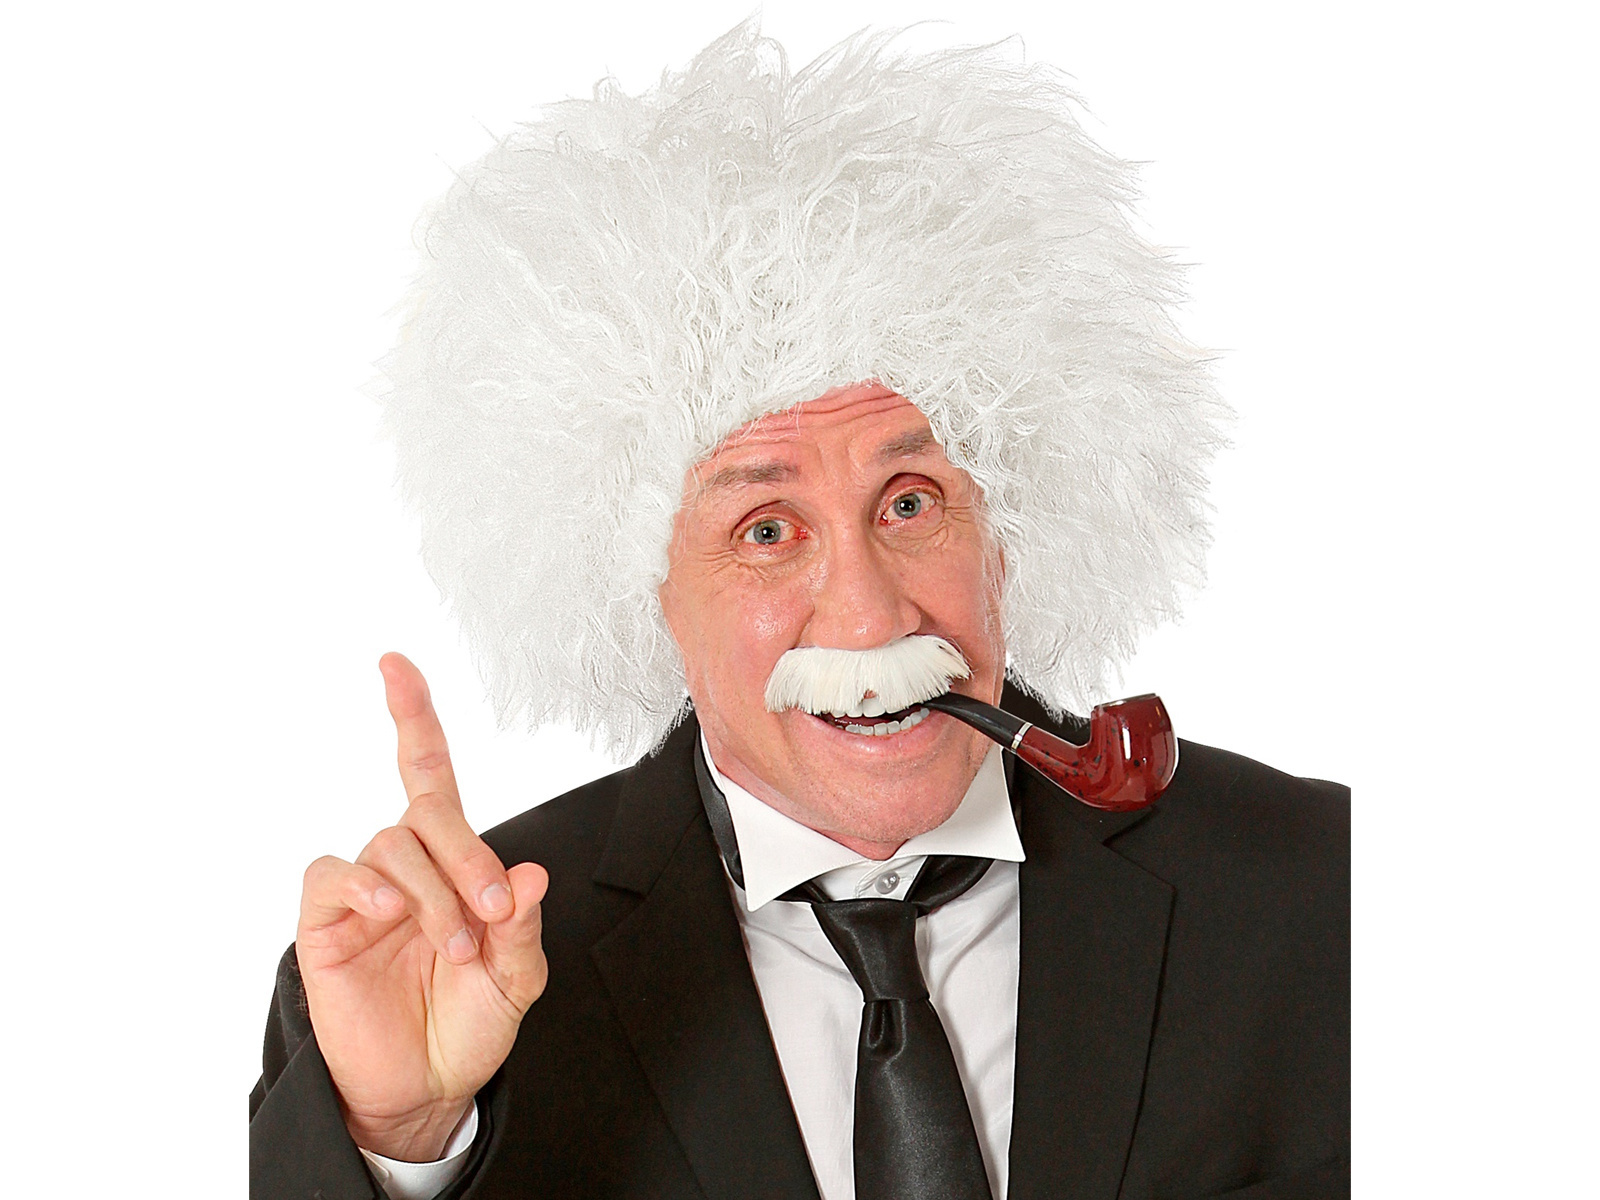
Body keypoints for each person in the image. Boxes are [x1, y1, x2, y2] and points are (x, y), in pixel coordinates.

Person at [249, 21, 1349, 1200]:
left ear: (1010, 520)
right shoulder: (446, 969)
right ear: (639, 583)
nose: (869, 617)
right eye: (765, 531)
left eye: (910, 502)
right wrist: (405, 1137)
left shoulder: (1319, 888)